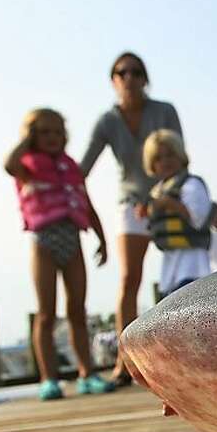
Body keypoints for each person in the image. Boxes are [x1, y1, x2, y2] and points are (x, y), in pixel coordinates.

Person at [81, 52, 183, 387]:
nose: (129, 77)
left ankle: (176, 360)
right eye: (121, 72)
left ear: (145, 77)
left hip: (167, 198)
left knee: (179, 278)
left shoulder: (164, 111)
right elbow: (81, 170)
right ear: (113, 80)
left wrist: (176, 198)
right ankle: (124, 362)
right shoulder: (107, 120)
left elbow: (180, 159)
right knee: (128, 279)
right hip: (131, 203)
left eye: (136, 71)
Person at [5, 108, 113, 400]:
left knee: (77, 310)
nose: (51, 138)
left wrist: (102, 239)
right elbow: (8, 164)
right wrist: (26, 141)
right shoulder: (27, 165)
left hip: (73, 239)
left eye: (57, 132)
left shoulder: (71, 167)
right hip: (44, 242)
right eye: (43, 132)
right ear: (31, 135)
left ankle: (87, 373)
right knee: (46, 313)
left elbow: (87, 205)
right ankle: (49, 379)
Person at [138, 130, 212, 299]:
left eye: (170, 155)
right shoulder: (157, 191)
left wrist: (169, 203)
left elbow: (199, 219)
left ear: (180, 155)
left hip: (193, 268)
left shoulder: (191, 184)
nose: (165, 161)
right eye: (158, 158)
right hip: (169, 271)